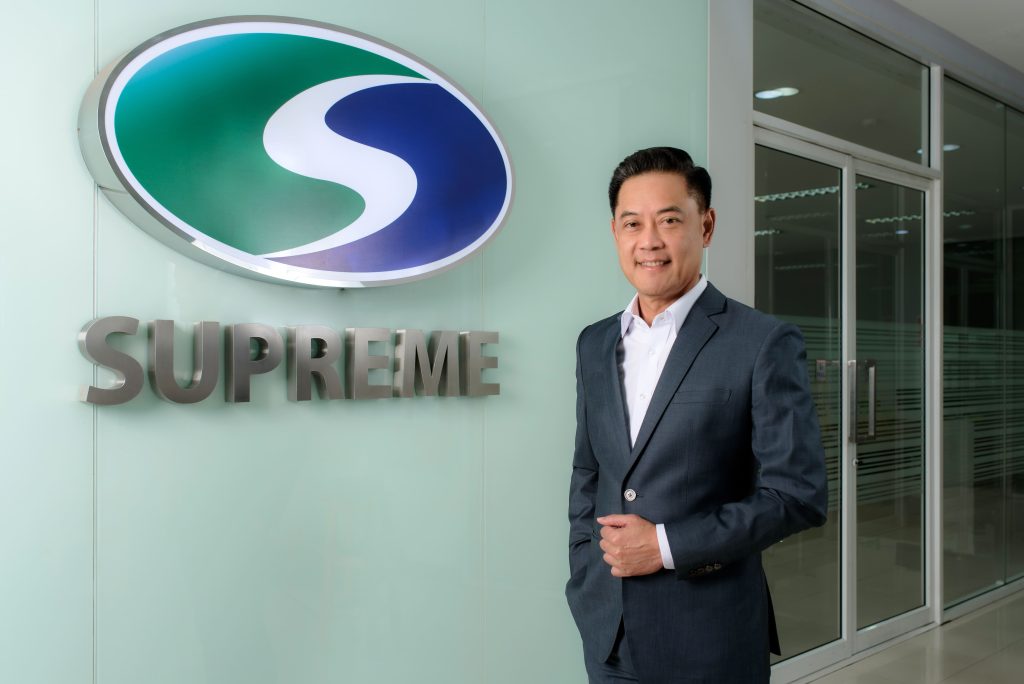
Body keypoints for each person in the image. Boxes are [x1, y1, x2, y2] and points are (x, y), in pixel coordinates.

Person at [565, 147, 828, 683]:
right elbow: (589, 471)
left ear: (705, 226)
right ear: (615, 232)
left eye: (669, 220)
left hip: (709, 637)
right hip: (608, 632)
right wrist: (585, 569)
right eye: (632, 223)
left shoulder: (761, 341)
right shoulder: (594, 343)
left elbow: (798, 495)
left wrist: (664, 546)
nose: (649, 241)